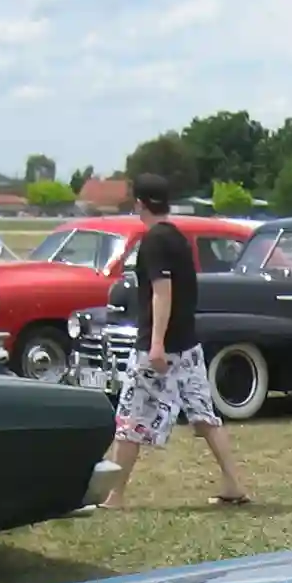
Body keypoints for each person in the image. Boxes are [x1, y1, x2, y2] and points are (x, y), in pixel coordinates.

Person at [99, 172, 249, 510]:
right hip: (187, 345)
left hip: (162, 348)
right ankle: (233, 483)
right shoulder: (178, 238)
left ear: (140, 202)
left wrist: (155, 344)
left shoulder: (153, 241)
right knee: (204, 416)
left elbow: (161, 294)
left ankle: (115, 496)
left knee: (129, 419)